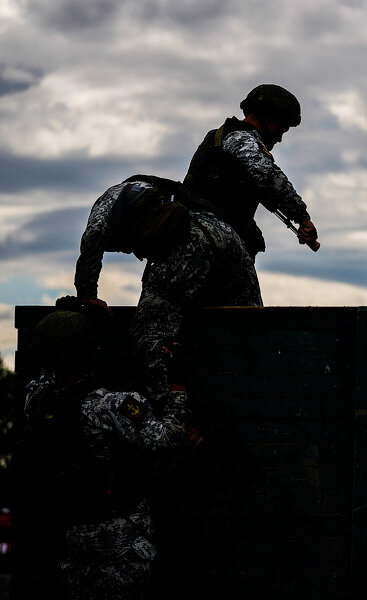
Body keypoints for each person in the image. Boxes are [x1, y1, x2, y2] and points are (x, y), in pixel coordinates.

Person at [18, 301, 188, 599]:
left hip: (77, 545)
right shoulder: (110, 406)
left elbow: (47, 376)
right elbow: (168, 437)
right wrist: (178, 384)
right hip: (123, 547)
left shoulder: (35, 402)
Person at [128, 194, 263, 407]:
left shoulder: (177, 248)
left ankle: (168, 411)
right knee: (253, 326)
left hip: (202, 243)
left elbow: (149, 331)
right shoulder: (217, 225)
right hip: (222, 236)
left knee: (148, 331)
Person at [182, 83, 318, 258]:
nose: (280, 137)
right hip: (208, 240)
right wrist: (302, 217)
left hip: (201, 237)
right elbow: (268, 176)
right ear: (269, 118)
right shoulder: (241, 138)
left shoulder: (223, 137)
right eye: (282, 128)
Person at [74, 175, 191, 309]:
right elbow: (88, 257)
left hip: (148, 198)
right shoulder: (101, 225)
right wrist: (88, 297)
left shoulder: (163, 196)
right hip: (132, 207)